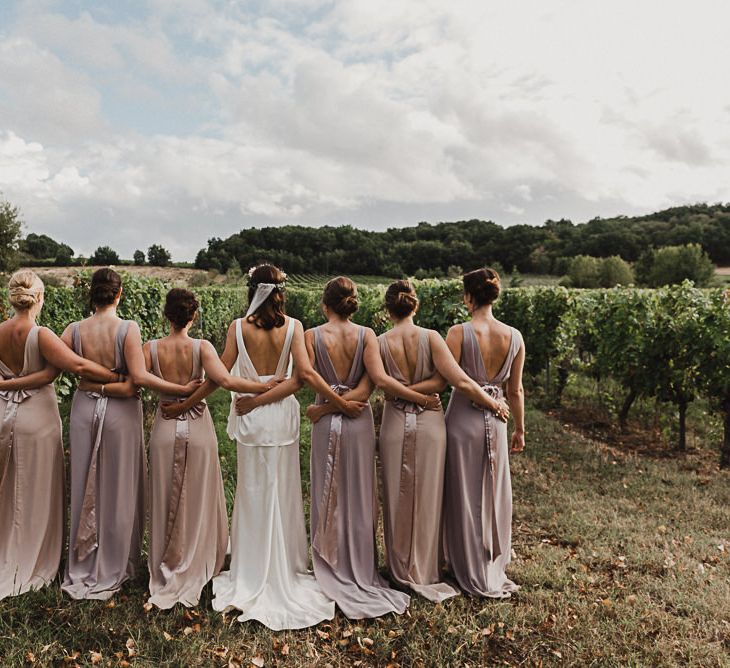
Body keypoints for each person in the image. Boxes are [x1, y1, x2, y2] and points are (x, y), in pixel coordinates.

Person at [164, 264, 360, 629]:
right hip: (281, 416)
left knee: (253, 492)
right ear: (281, 292)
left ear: (251, 289)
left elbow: (218, 377)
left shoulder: (238, 328)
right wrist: (268, 396)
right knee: (281, 490)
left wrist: (190, 402)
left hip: (252, 419)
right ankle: (284, 566)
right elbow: (300, 379)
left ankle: (251, 567)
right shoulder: (295, 327)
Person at [304, 276, 442, 619]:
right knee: (360, 493)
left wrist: (324, 407)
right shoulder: (367, 336)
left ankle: (329, 561)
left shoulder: (310, 336)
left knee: (326, 491)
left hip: (325, 424)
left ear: (324, 305)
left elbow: (307, 376)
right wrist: (345, 404)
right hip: (358, 422)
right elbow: (367, 391)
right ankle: (360, 564)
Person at [61, 268, 199, 600]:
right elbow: (137, 379)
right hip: (120, 414)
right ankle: (116, 561)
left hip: (83, 409)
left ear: (91, 294)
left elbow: (62, 365)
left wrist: (89, 382)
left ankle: (83, 558)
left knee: (84, 480)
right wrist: (179, 388)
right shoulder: (127, 329)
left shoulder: (72, 330)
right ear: (119, 294)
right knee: (119, 484)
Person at [377, 279, 511, 602]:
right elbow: (451, 380)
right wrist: (492, 402)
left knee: (394, 493)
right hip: (431, 423)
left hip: (394, 420)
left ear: (387, 309)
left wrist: (403, 394)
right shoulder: (432, 338)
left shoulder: (379, 342)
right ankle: (428, 568)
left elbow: (380, 383)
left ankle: (398, 567)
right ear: (416, 305)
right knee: (431, 494)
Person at [0, 270, 124, 600]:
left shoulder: (0, 332)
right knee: (37, 487)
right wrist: (113, 375)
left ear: (11, 298)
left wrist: (7, 384)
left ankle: (6, 549)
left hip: (3, 415)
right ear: (38, 298)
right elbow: (78, 367)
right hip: (36, 419)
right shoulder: (41, 335)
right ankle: (32, 556)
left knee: (6, 487)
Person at [443, 268, 525, 598]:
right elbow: (516, 390)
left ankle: (462, 560)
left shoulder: (458, 333)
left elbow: (449, 378)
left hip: (462, 418)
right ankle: (490, 558)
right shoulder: (515, 336)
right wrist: (520, 427)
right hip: (499, 419)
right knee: (493, 491)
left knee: (462, 491)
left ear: (468, 297)